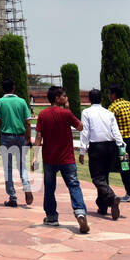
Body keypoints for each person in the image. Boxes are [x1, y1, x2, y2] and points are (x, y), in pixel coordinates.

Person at [31, 86, 88, 232]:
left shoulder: (43, 115)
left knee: (49, 189)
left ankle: (51, 217)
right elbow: (81, 127)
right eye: (64, 96)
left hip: (49, 158)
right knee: (74, 185)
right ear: (57, 98)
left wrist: (35, 157)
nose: (66, 98)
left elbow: (38, 137)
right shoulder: (66, 114)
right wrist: (68, 109)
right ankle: (80, 212)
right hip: (67, 159)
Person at [78, 88, 123, 220]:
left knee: (97, 177)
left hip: (96, 147)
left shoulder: (86, 112)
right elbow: (116, 131)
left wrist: (82, 151)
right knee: (104, 177)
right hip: (110, 146)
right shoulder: (108, 113)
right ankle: (103, 206)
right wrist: (121, 147)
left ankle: (111, 197)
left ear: (89, 100)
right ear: (102, 99)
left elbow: (85, 132)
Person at [0, 79, 33, 207]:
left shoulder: (0, 102)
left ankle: (12, 197)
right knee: (22, 165)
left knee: (8, 167)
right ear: (14, 88)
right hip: (20, 137)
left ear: (3, 89)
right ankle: (26, 185)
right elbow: (28, 122)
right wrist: (28, 138)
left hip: (6, 137)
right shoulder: (22, 102)